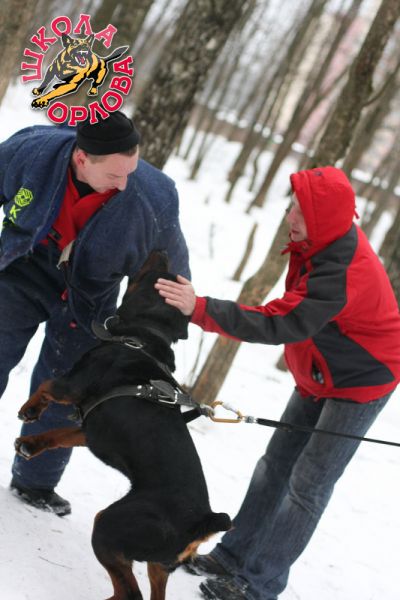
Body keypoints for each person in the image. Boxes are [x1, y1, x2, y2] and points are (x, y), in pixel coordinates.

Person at [155, 166, 400, 600]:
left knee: (308, 483)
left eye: (301, 211)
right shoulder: (321, 242)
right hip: (320, 369)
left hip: (362, 380)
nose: (290, 217)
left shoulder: (344, 270)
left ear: (324, 218)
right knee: (275, 465)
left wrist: (201, 309)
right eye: (292, 206)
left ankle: (259, 585)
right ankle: (233, 557)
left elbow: (282, 321)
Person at [0, 111, 190, 516]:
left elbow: (171, 265)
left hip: (90, 297)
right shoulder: (32, 152)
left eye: (130, 172)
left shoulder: (153, 196)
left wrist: (179, 307)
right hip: (25, 267)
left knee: (67, 385)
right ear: (82, 158)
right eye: (115, 175)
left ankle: (35, 481)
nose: (123, 184)